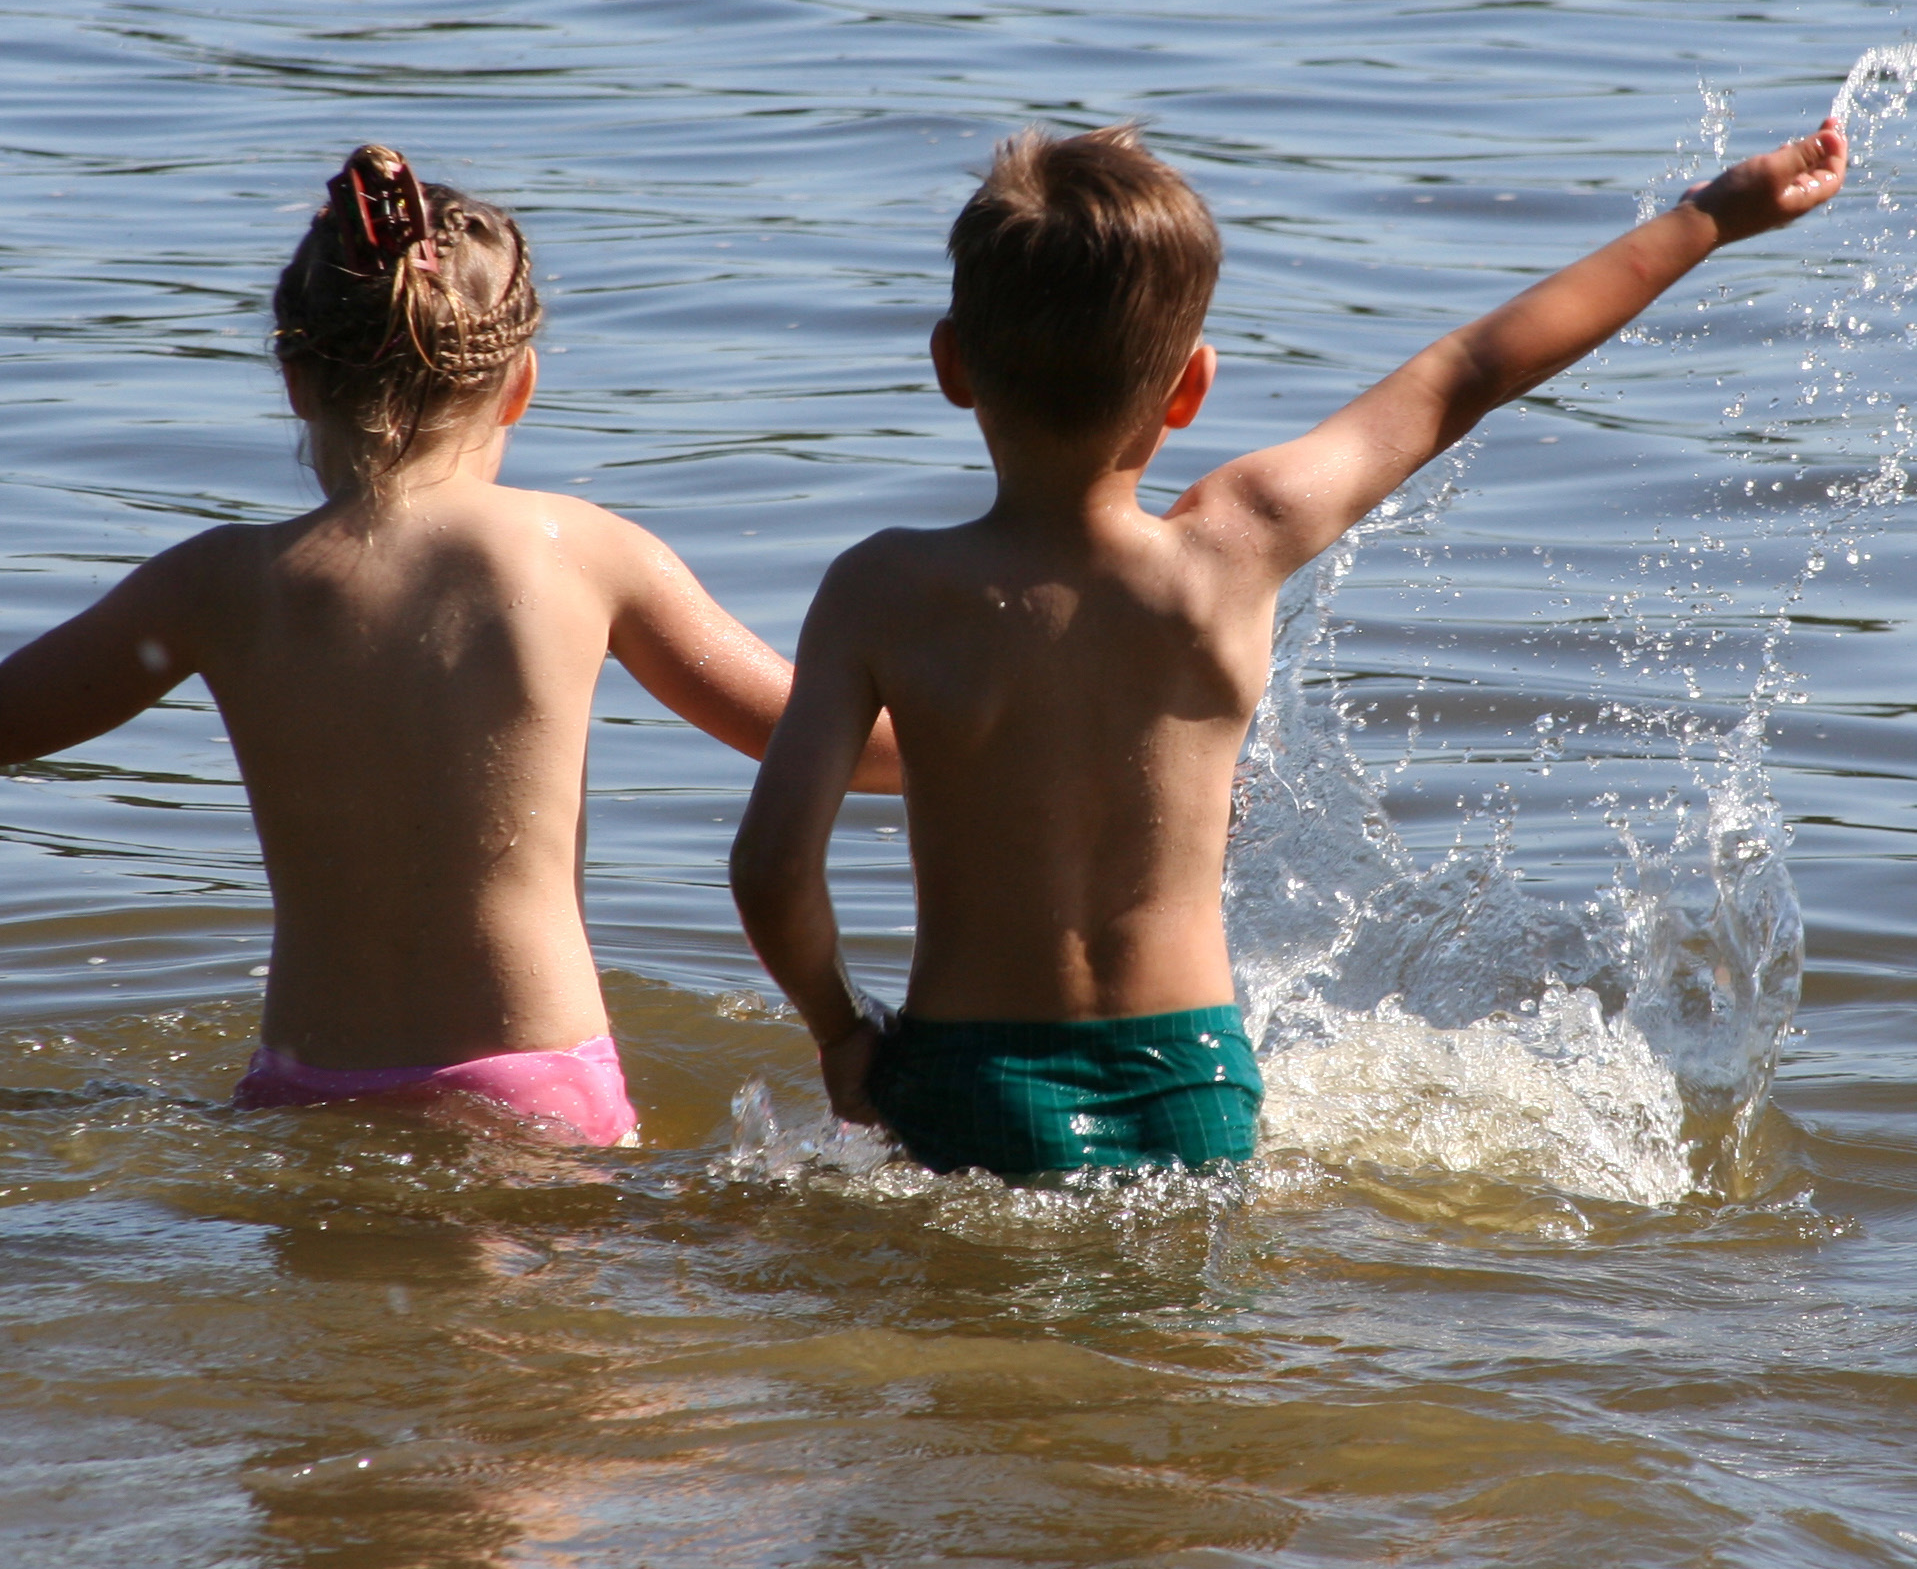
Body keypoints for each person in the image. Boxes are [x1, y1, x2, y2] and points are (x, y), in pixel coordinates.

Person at [729, 116, 1848, 1179]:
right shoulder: (1238, 543)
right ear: (1190, 390)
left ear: (951, 364)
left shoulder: (881, 590)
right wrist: (1712, 214)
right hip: (1191, 1082)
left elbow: (773, 867)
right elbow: (1468, 372)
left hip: (968, 1081)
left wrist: (840, 1032)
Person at [0, 145, 896, 1147]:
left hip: (308, 1092)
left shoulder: (215, 583)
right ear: (521, 385)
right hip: (536, 1090)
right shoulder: (588, 553)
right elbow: (846, 749)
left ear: (295, 380)